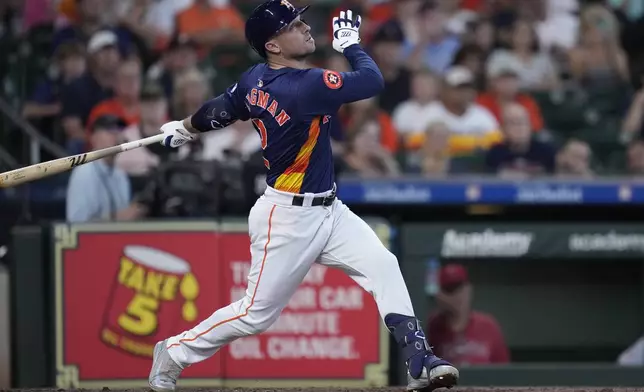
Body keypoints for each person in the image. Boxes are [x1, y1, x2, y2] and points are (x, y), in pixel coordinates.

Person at [147, 2, 459, 392]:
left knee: (383, 264)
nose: (306, 28)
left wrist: (187, 126)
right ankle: (174, 351)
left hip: (329, 209)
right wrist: (351, 45)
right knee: (256, 314)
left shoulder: (255, 78)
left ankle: (420, 361)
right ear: (273, 45)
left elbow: (224, 108)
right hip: (287, 217)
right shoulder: (306, 86)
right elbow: (372, 82)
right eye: (294, 25)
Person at [66, 115, 147, 222]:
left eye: (119, 131)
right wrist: (115, 217)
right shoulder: (84, 173)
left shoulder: (120, 174)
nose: (117, 135)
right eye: (110, 131)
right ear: (94, 137)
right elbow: (76, 223)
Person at [427, 263, 510, 366]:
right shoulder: (431, 328)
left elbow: (504, 370)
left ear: (469, 289)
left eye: (460, 288)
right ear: (440, 296)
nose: (458, 295)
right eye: (450, 290)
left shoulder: (488, 326)